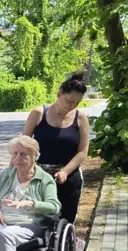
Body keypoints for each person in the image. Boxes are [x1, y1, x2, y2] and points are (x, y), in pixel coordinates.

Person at [23, 72, 89, 224]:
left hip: (69, 176)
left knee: (66, 221)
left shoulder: (81, 117)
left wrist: (65, 171)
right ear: (59, 94)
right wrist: (13, 172)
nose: (72, 106)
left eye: (77, 103)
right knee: (37, 219)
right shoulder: (38, 113)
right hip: (39, 176)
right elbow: (23, 145)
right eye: (70, 101)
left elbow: (83, 151)